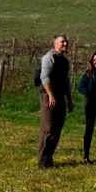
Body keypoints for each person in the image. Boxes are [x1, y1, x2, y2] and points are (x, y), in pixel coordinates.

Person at [37, 35, 74, 168]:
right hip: (48, 96)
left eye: (66, 42)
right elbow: (44, 77)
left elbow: (66, 82)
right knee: (48, 128)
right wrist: (51, 96)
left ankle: (49, 158)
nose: (65, 43)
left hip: (60, 96)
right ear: (55, 44)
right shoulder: (49, 57)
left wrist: (69, 100)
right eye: (62, 41)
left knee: (58, 128)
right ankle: (42, 160)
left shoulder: (64, 61)